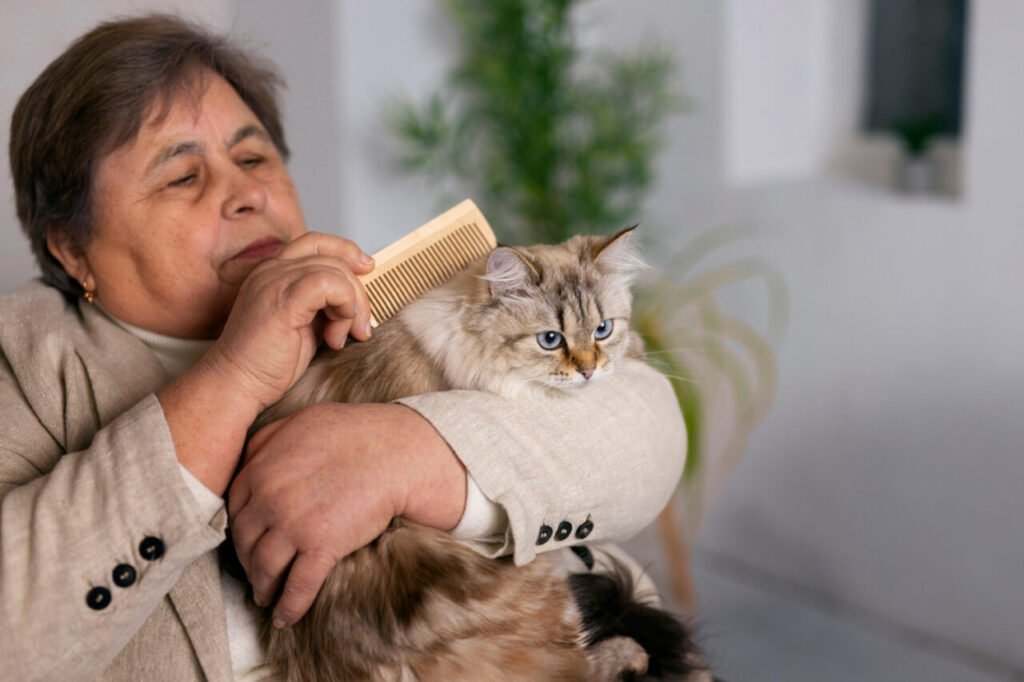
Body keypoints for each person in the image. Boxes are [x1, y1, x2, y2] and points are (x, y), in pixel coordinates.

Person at [0, 14, 686, 681]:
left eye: (253, 157)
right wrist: (234, 377)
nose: (246, 193)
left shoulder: (380, 295)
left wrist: (414, 456)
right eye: (183, 176)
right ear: (73, 248)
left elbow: (649, 425)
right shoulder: (23, 361)